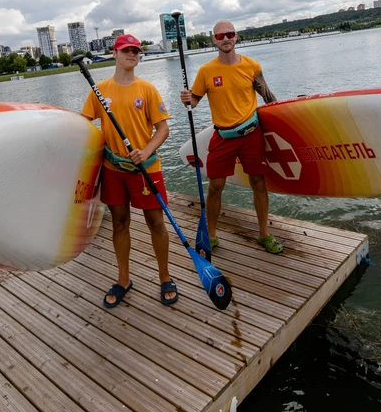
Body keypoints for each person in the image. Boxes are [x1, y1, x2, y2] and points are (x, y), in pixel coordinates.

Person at [81, 34, 177, 307]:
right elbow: (84, 125)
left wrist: (146, 151)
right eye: (126, 50)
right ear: (114, 53)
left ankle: (165, 276)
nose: (132, 55)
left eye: (136, 51)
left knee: (155, 223)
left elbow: (163, 129)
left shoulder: (147, 90)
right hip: (113, 169)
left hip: (145, 168)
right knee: (120, 223)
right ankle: (124, 279)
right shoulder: (99, 90)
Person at [179, 20, 283, 254]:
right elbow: (193, 102)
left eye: (230, 34)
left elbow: (268, 96)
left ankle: (264, 234)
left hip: (251, 134)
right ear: (213, 40)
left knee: (258, 182)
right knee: (216, 186)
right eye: (220, 36)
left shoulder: (251, 66)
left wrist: (290, 112)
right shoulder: (206, 71)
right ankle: (211, 235)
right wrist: (187, 99)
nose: (225, 39)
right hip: (223, 136)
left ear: (236, 37)